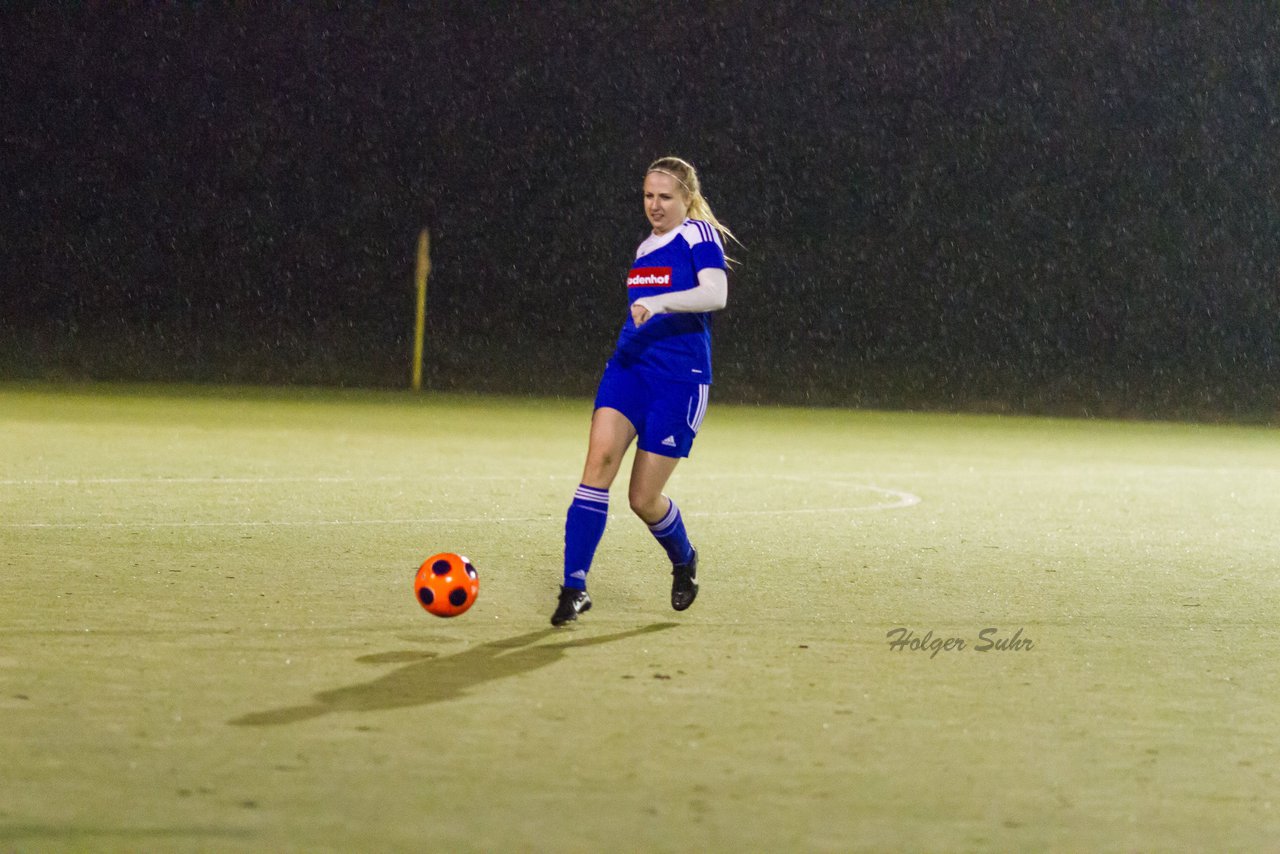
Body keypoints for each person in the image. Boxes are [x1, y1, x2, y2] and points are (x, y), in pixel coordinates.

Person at [551, 156, 737, 626]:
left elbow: (716, 294)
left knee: (642, 499)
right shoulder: (643, 248)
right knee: (598, 467)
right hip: (629, 368)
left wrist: (659, 302)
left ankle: (684, 558)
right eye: (648, 196)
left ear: (687, 199)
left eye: (665, 197)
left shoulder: (698, 235)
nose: (654, 205)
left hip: (679, 380)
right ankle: (574, 588)